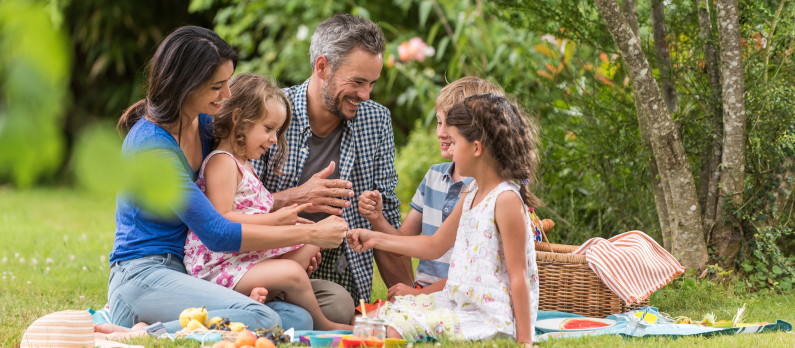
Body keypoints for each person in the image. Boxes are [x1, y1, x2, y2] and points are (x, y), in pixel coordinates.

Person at [105, 26, 348, 334]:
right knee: (264, 320)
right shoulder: (152, 146)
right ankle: (140, 333)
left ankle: (179, 321)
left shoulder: (205, 127)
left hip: (190, 272)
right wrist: (309, 236)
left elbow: (242, 198)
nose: (227, 95)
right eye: (217, 86)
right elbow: (217, 232)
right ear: (185, 85)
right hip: (143, 274)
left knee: (298, 320)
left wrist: (293, 231)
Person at [348, 94, 542, 346]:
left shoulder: (505, 199)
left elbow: (519, 276)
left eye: (454, 142)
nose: (449, 149)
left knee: (387, 332)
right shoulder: (473, 191)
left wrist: (525, 341)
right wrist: (375, 238)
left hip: (490, 317)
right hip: (459, 302)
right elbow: (434, 245)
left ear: (475, 148)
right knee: (368, 320)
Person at [251, 13, 410, 313]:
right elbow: (233, 211)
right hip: (266, 264)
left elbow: (386, 217)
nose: (365, 94)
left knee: (339, 306)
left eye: (372, 83)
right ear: (322, 67)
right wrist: (297, 198)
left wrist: (410, 300)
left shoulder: (376, 121)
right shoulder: (269, 114)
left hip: (338, 271)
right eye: (358, 82)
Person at [183, 73, 351, 331]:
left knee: (310, 244)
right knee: (293, 272)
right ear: (239, 119)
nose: (274, 139)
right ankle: (323, 324)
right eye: (268, 128)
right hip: (219, 265)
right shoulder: (222, 162)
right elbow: (221, 219)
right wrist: (275, 220)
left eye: (277, 131)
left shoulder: (245, 165)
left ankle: (259, 298)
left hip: (242, 258)